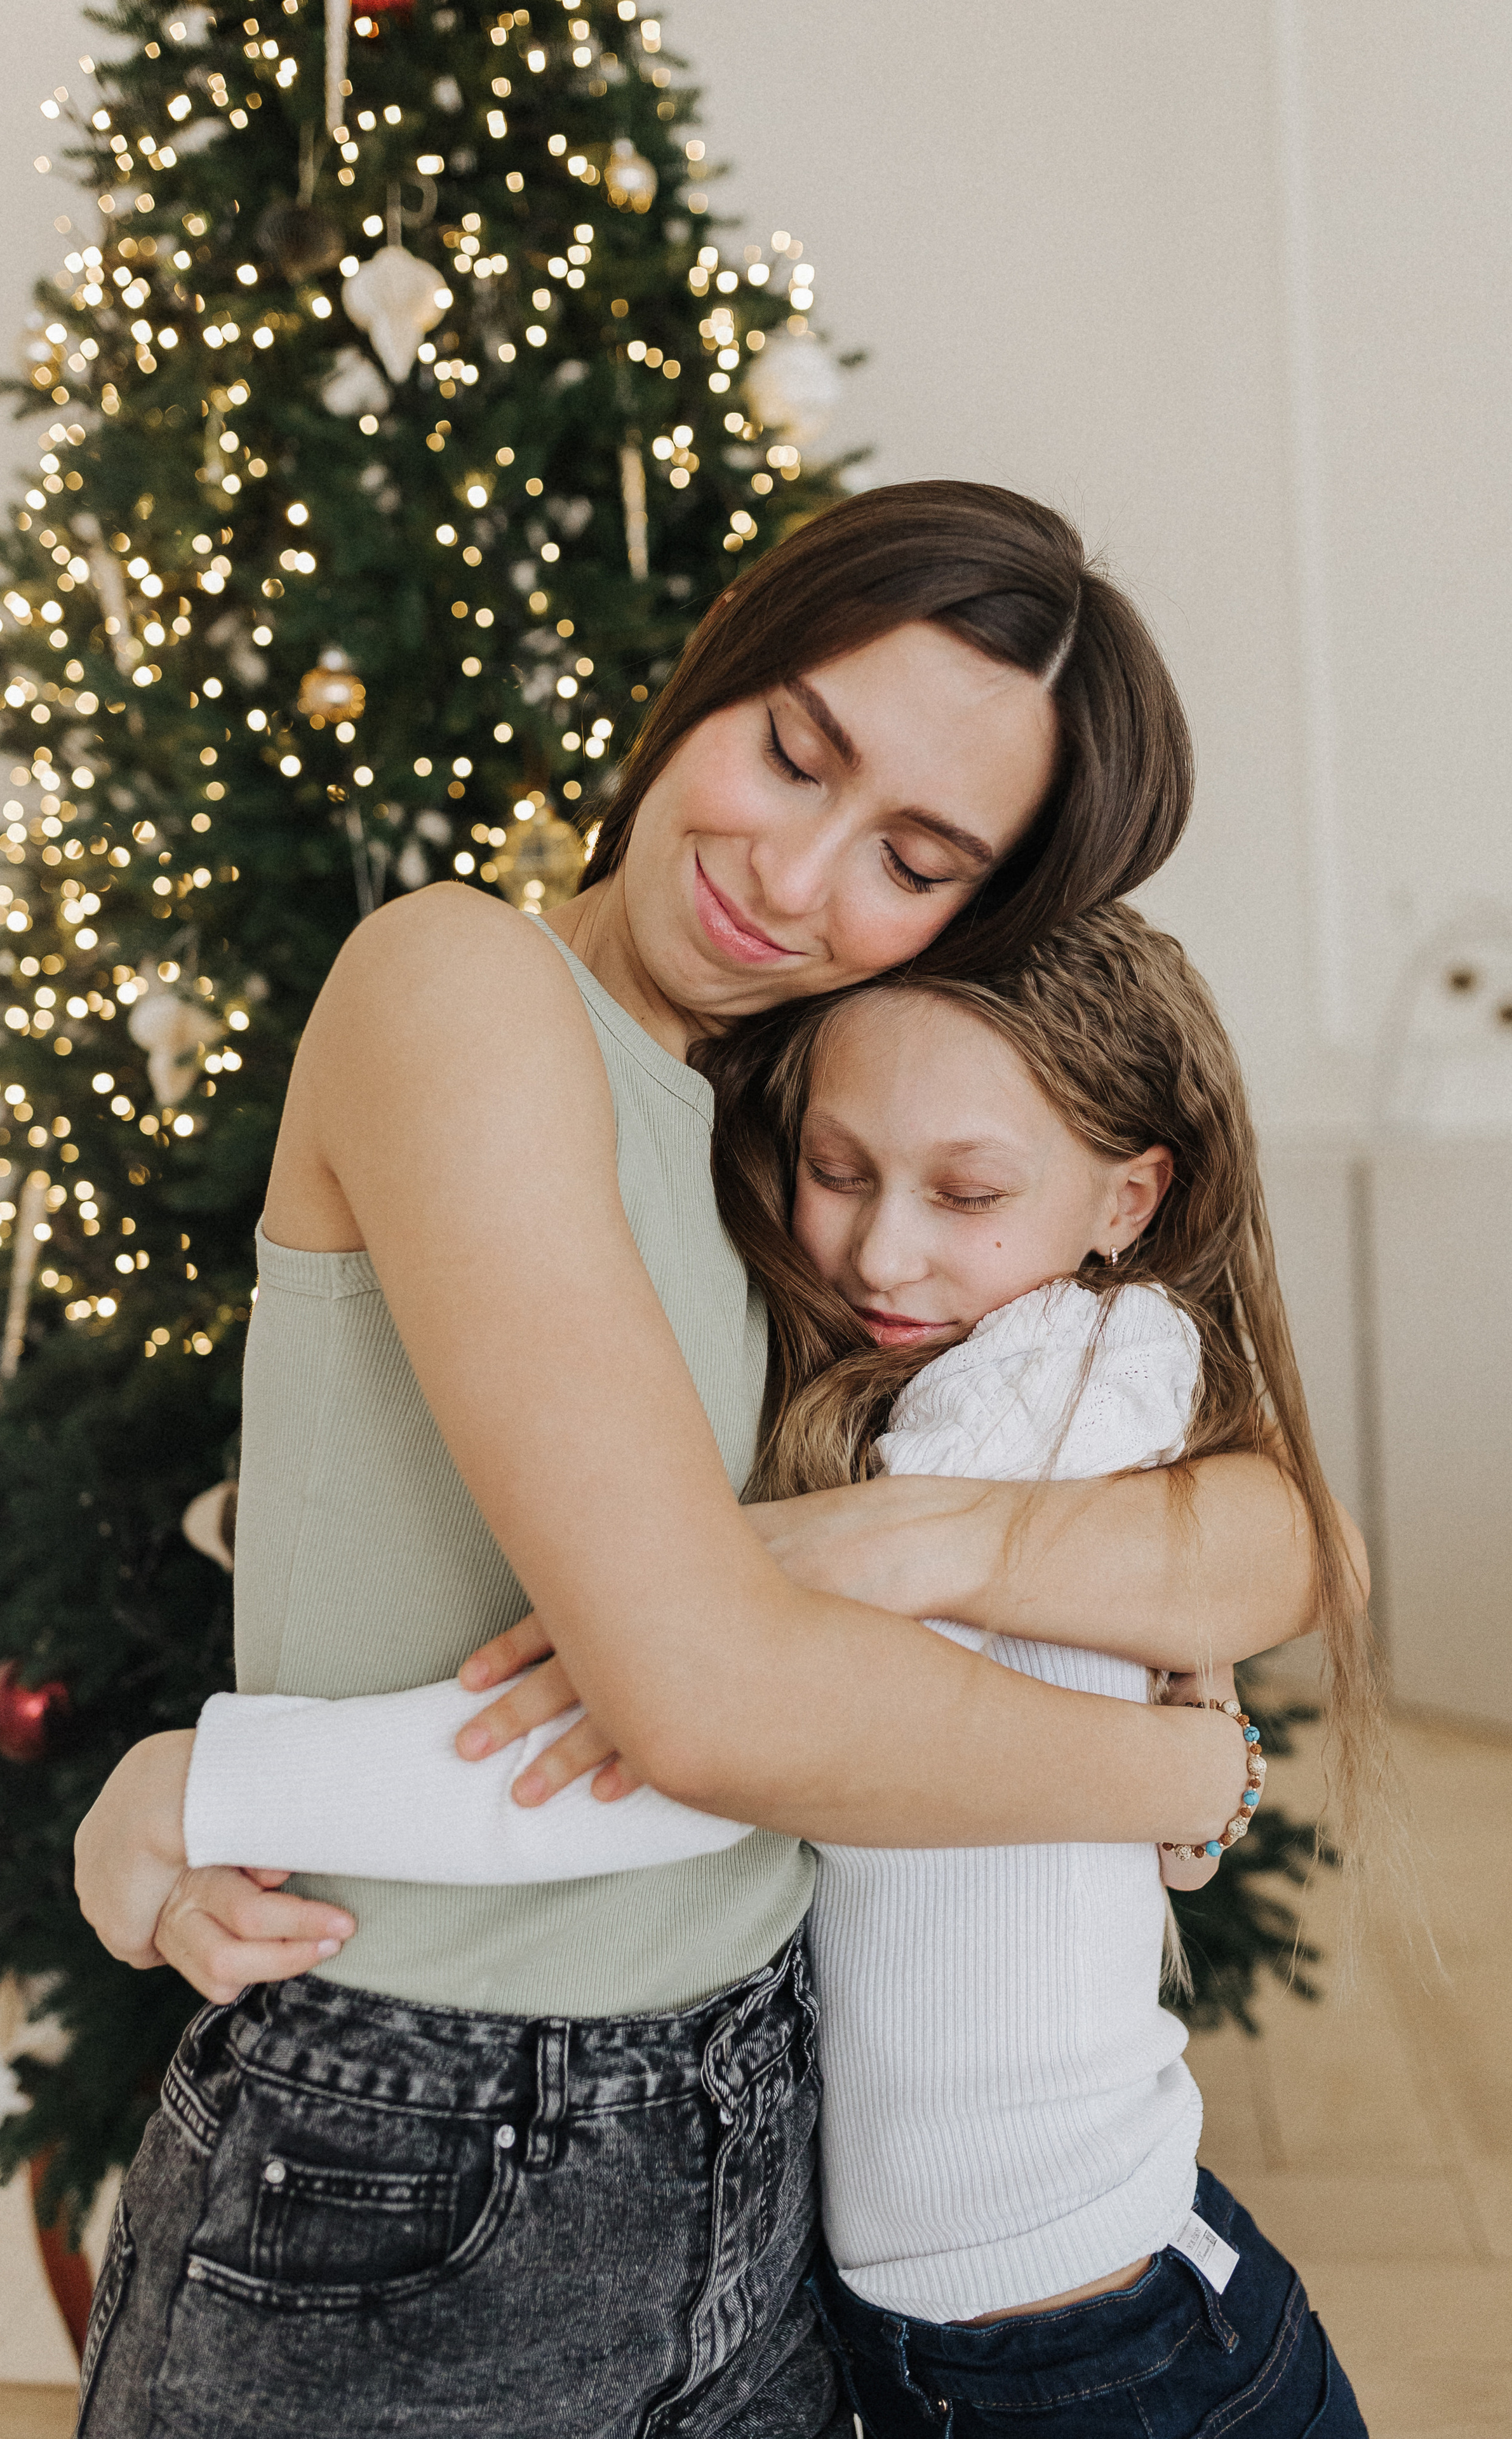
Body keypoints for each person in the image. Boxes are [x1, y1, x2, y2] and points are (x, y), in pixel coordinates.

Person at [72, 485, 1356, 2439]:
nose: (792, 869)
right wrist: (1187, 1765)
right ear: (718, 676)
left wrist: (910, 1536)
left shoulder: (802, 1153)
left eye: (911, 861)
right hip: (425, 2149)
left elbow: (1272, 1537)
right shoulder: (467, 986)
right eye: (792, 749)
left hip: (754, 2132)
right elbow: (700, 1693)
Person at [301, 906, 1370, 2432]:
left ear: (1127, 1198)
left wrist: (218, 1790)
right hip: (960, 2328)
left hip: (1098, 2344)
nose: (882, 1248)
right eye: (837, 1169)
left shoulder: (1061, 1373)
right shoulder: (900, 1385)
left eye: (968, 1191)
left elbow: (678, 1728)